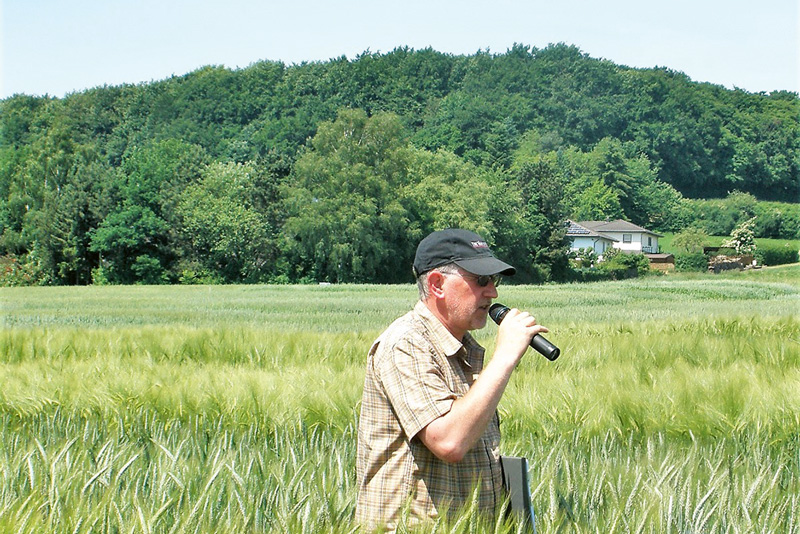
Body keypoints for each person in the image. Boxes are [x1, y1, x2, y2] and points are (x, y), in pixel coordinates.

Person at [355, 228, 549, 532]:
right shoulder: (405, 344)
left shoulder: (464, 350)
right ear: (437, 284)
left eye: (494, 282)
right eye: (481, 281)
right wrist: (506, 355)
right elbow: (449, 442)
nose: (493, 293)